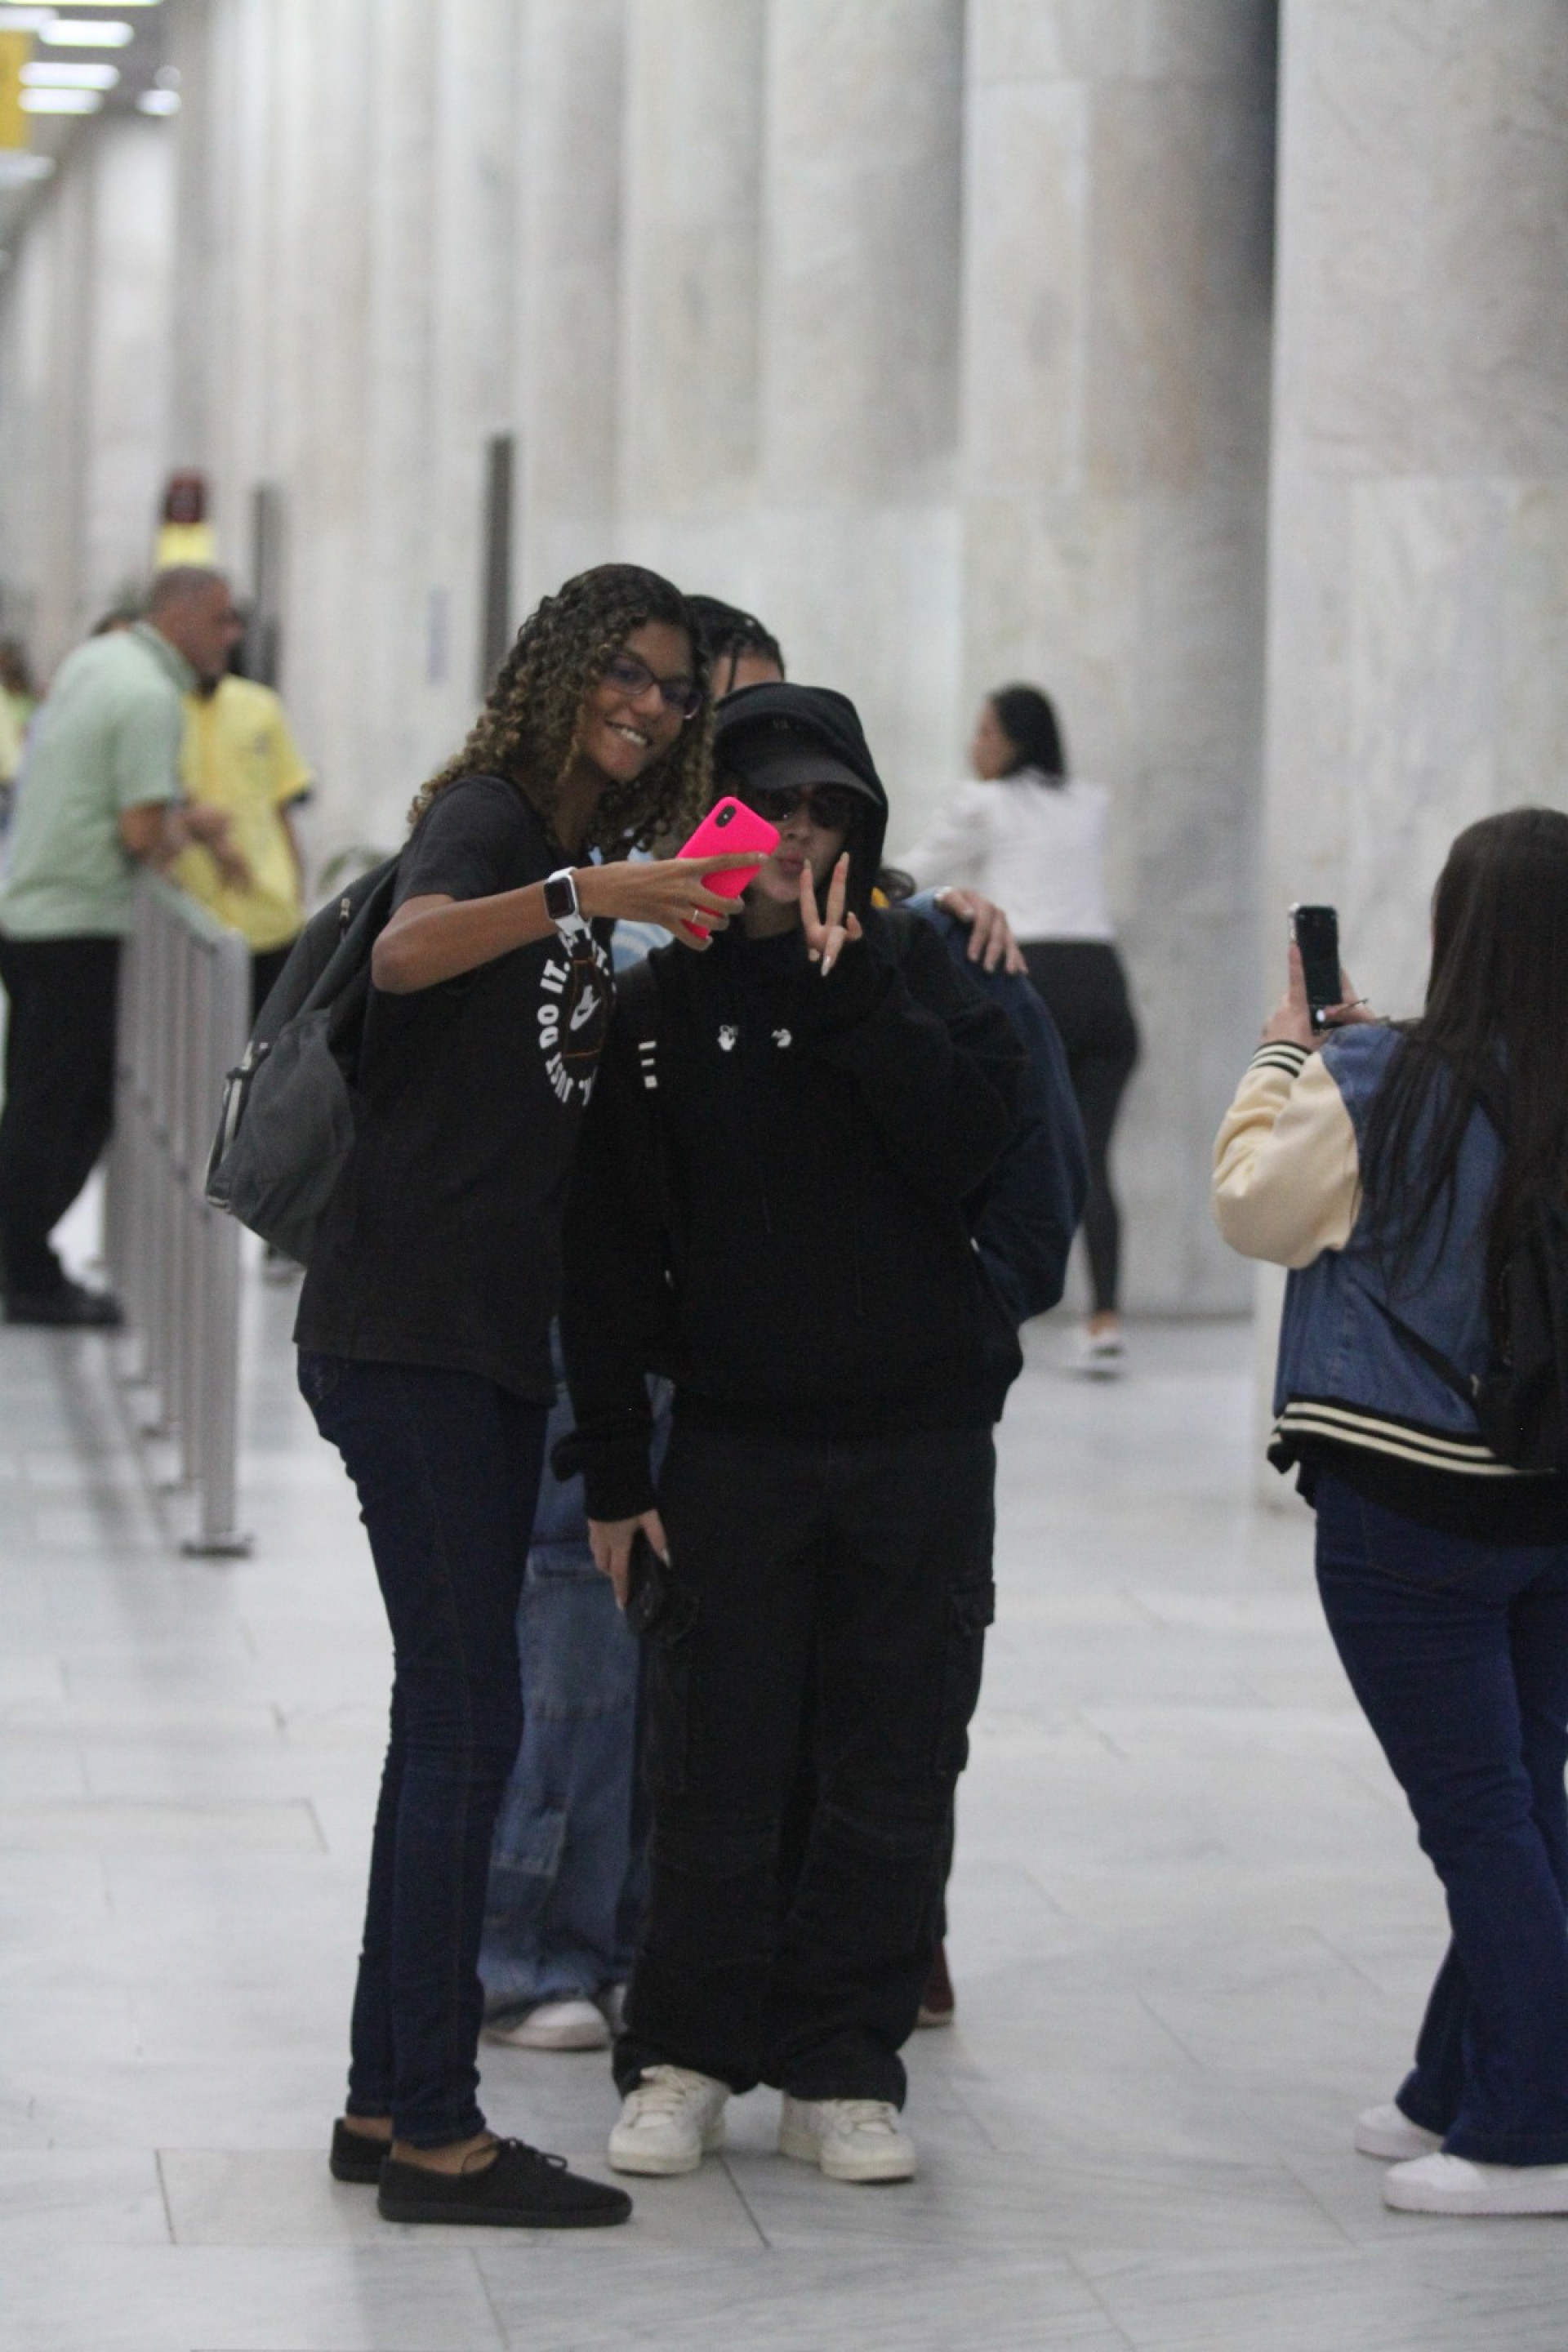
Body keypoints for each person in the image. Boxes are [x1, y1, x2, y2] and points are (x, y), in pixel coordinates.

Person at [293, 564, 763, 2232]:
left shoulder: (577, 858)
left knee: (451, 1716)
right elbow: (415, 952)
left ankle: (381, 2099)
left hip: (480, 1341)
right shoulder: (494, 821)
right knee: (467, 1715)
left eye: (669, 689)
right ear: (561, 669)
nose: (645, 702)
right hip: (409, 1331)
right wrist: (584, 890)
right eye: (623, 674)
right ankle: (439, 2134)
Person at [559, 680, 1026, 2188]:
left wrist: (859, 997)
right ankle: (683, 2055)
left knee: (890, 1762)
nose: (795, 837)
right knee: (714, 1763)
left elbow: (969, 1155)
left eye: (827, 811)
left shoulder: (922, 971)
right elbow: (612, 1260)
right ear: (716, 821)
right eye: (769, 807)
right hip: (740, 1444)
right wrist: (619, 1474)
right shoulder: (655, 1007)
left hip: (919, 1441)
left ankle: (844, 2066)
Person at [1214, 806, 1568, 2218]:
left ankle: (1534, 2129)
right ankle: (1454, 2084)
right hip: (1552, 1500)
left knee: (1481, 1818)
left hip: (1405, 1501)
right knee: (1519, 1801)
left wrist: (1291, 1052)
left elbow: (1253, 1206)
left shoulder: (1372, 1077)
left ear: (1454, 930)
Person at [0, 569, 243, 1325]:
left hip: (32, 911)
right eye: (222, 619)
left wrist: (180, 820)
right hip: (75, 923)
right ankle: (25, 1272)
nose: (231, 635)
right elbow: (141, 834)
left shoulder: (95, 662)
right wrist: (182, 836)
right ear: (179, 617)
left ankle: (24, 1262)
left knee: (43, 1106)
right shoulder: (146, 696)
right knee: (63, 1116)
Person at [902, 685, 1139, 1375]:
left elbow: (915, 871)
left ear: (1012, 741)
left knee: (1014, 1152)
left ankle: (1001, 1299)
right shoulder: (1091, 801)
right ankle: (1104, 1318)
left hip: (1036, 974)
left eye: (983, 731)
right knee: (1093, 1156)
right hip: (1104, 981)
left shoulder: (983, 803)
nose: (974, 746)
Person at [172, 658, 313, 1022]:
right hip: (190, 919)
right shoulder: (162, 709)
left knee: (268, 1050)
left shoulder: (260, 706)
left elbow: (283, 806)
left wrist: (297, 888)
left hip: (268, 911)